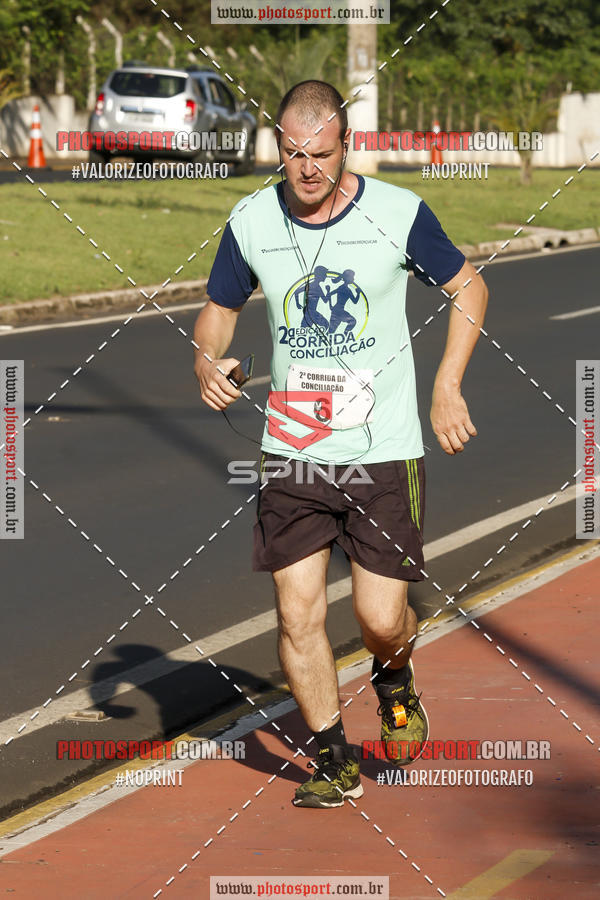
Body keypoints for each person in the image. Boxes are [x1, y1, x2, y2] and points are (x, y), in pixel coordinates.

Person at [193, 80, 488, 809]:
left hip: (382, 447)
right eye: (293, 155)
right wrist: (209, 361)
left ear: (344, 144)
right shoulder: (253, 219)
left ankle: (394, 676)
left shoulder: (397, 213)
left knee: (381, 619)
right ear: (279, 148)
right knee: (297, 613)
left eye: (320, 155)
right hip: (291, 450)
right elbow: (216, 314)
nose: (307, 171)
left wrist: (446, 384)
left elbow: (469, 287)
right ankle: (332, 756)